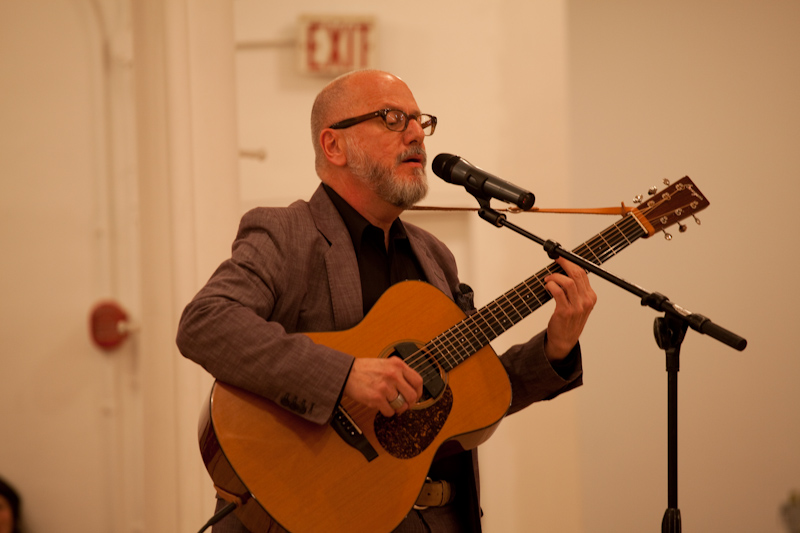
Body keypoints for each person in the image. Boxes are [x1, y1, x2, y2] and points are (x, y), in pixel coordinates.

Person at [177, 69, 596, 533]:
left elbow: (473, 395)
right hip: (316, 513)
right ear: (334, 146)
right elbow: (205, 322)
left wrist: (555, 347)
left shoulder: (435, 256)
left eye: (420, 121)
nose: (417, 133)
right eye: (393, 118)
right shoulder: (286, 234)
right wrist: (344, 376)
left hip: (439, 520)